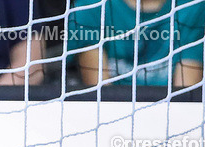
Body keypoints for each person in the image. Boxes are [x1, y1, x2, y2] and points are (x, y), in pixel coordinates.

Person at [66, 0, 204, 88]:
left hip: (169, 118)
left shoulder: (192, 6)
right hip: (113, 119)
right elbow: (103, 97)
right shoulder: (90, 8)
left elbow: (185, 96)